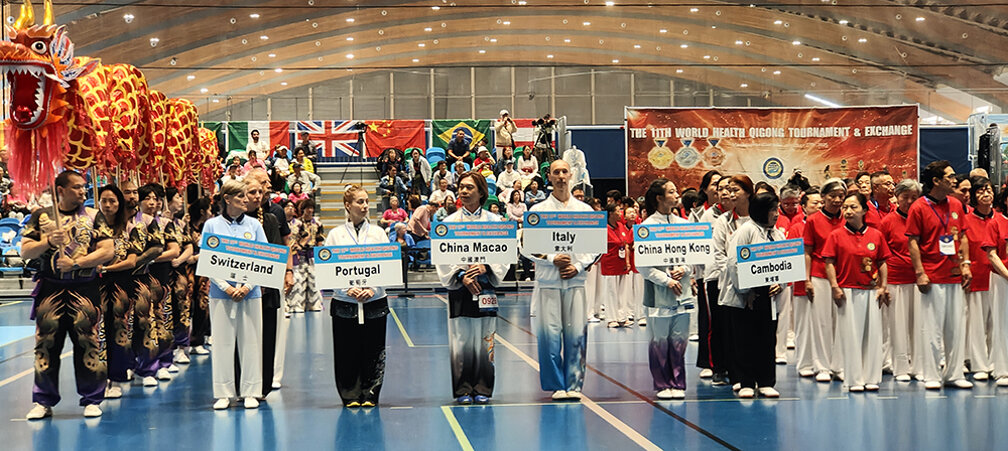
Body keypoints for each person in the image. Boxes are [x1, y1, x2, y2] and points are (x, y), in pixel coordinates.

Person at [22, 170, 114, 419]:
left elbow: (108, 250)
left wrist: (76, 263)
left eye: (83, 187)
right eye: (76, 187)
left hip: (85, 288)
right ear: (60, 191)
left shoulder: (94, 216)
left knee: (88, 342)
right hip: (50, 290)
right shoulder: (41, 216)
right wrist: (48, 242)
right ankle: (43, 400)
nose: (83, 191)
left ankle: (92, 398)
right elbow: (26, 251)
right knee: (45, 344)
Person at [522, 160, 599, 401]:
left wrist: (578, 266)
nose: (561, 176)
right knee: (550, 335)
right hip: (548, 282)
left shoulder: (585, 211)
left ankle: (574, 384)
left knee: (576, 334)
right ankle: (556, 384)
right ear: (549, 176)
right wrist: (551, 258)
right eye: (556, 172)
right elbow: (526, 247)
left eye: (565, 172)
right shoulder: (538, 210)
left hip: (575, 280)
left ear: (571, 175)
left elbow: (596, 247)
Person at [435, 172, 509, 405]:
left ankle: (483, 388)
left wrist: (487, 266)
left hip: (486, 288)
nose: (464, 191)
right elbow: (443, 258)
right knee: (461, 340)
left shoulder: (495, 223)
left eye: (469, 187)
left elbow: (504, 255)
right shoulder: (448, 224)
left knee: (486, 337)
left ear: (481, 192)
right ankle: (463, 389)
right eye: (461, 187)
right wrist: (461, 275)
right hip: (460, 289)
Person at [906, 160, 973, 390]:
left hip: (955, 273)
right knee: (932, 329)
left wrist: (966, 264)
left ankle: (954, 373)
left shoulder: (956, 204)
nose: (954, 180)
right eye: (949, 177)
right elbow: (913, 242)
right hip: (932, 275)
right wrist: (920, 272)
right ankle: (932, 374)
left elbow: (963, 236)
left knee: (956, 327)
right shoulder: (918, 207)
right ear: (936, 181)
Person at [323, 185, 392, 407]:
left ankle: (371, 392)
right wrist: (346, 288)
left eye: (366, 201)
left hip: (374, 300)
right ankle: (350, 393)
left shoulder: (378, 233)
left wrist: (373, 288)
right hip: (345, 301)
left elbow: (387, 265)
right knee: (346, 349)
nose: (365, 206)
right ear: (347, 205)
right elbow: (328, 269)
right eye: (360, 202)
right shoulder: (335, 235)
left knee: (374, 349)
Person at [203, 180, 269, 409]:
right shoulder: (212, 226)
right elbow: (208, 261)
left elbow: (264, 258)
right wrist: (226, 287)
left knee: (252, 342)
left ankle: (251, 391)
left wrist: (248, 286)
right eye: (241, 196)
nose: (246, 199)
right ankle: (223, 392)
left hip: (251, 293)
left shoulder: (255, 225)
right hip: (221, 294)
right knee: (222, 342)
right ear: (227, 199)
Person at [824, 192, 891, 392]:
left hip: (871, 291)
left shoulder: (876, 235)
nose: (848, 211)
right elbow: (829, 262)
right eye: (845, 207)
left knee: (872, 335)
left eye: (853, 207)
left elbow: (882, 262)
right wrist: (835, 286)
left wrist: (883, 286)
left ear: (864, 210)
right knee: (850, 336)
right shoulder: (836, 235)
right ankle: (854, 379)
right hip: (847, 291)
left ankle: (871, 378)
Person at [725, 191, 784, 399]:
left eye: (777, 209)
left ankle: (766, 381)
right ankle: (747, 382)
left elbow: (784, 263)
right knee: (745, 338)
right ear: (760, 211)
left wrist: (780, 283)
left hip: (769, 295)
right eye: (772, 210)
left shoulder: (777, 234)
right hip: (746, 297)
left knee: (767, 338)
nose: (776, 214)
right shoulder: (746, 231)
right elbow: (734, 264)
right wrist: (747, 290)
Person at [640, 178, 694, 399]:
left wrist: (684, 268)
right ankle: (662, 383)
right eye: (671, 192)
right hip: (658, 294)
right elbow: (643, 266)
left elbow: (694, 255)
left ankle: (678, 382)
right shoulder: (647, 227)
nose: (676, 194)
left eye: (675, 191)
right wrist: (666, 280)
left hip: (683, 292)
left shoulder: (685, 225)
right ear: (659, 198)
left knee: (680, 338)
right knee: (659, 339)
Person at [241, 175, 293, 397]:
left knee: (267, 335)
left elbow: (277, 252)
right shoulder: (232, 220)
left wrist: (286, 272)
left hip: (266, 288)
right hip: (238, 289)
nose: (259, 194)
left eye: (260, 191)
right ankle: (242, 383)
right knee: (244, 336)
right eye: (253, 191)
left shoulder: (271, 219)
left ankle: (263, 385)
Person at [963, 176, 1008, 382]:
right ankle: (980, 364)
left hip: (998, 279)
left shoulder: (998, 218)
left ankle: (995, 362)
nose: (985, 194)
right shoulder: (966, 220)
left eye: (988, 189)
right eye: (980, 191)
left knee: (996, 323)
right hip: (978, 276)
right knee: (977, 323)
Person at [94, 185, 137, 400]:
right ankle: (100, 379)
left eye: (112, 201)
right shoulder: (92, 228)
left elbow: (132, 261)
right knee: (99, 331)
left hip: (121, 285)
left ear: (120, 203)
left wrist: (107, 268)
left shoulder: (129, 229)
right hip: (96, 286)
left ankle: (117, 377)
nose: (108, 205)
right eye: (104, 201)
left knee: (120, 330)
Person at [803, 179, 848, 383]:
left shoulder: (848, 218)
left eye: (841, 196)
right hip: (819, 275)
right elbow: (807, 252)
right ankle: (822, 366)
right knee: (821, 321)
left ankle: (839, 365)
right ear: (823, 197)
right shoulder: (813, 220)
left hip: (844, 276)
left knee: (842, 321)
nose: (837, 200)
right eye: (833, 196)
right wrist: (807, 280)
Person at [877, 179, 920, 382]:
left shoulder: (922, 219)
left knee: (917, 325)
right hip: (895, 279)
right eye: (905, 197)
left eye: (914, 197)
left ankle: (918, 365)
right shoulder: (887, 222)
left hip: (919, 279)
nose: (909, 201)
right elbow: (880, 254)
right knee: (895, 325)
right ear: (897, 197)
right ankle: (897, 365)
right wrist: (882, 284)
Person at [715, 175, 755, 390]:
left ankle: (758, 376)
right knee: (734, 333)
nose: (730, 194)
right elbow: (719, 255)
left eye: (735, 190)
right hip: (732, 286)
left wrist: (754, 281)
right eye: (728, 190)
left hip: (758, 286)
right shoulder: (723, 221)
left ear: (748, 192)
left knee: (757, 333)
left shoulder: (758, 219)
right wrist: (738, 279)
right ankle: (737, 376)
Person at [140, 184, 180, 382]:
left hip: (160, 276)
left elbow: (174, 251)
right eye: (147, 198)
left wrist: (149, 258)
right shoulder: (131, 223)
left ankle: (164, 361)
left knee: (162, 318)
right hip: (137, 278)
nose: (152, 202)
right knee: (141, 322)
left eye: (155, 198)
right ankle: (142, 365)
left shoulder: (165, 224)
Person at [698, 176, 733, 383]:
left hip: (738, 279)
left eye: (729, 188)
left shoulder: (744, 216)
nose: (725, 192)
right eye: (721, 188)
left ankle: (734, 365)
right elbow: (699, 248)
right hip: (713, 276)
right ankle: (714, 365)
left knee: (734, 324)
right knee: (715, 323)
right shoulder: (708, 216)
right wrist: (695, 274)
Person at [788, 188, 824, 376]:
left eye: (821, 203)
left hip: (824, 281)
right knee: (803, 326)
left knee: (823, 326)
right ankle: (805, 364)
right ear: (803, 207)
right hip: (802, 282)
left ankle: (823, 363)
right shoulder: (796, 228)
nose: (819, 206)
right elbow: (791, 256)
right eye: (814, 203)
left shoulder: (829, 224)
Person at [165, 187, 194, 370]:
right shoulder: (156, 223)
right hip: (161, 273)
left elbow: (189, 247)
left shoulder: (180, 225)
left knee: (182, 308)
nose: (180, 200)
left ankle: (182, 346)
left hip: (180, 272)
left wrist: (179, 259)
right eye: (177, 197)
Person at [288, 198, 325, 313]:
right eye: (308, 208)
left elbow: (319, 239)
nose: (310, 210)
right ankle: (297, 305)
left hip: (313, 254)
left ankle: (314, 305)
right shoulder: (297, 223)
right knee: (299, 281)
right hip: (300, 255)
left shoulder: (318, 223)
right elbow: (294, 239)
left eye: (312, 208)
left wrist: (319, 255)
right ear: (303, 209)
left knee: (314, 280)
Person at [599, 202, 632, 328]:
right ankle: (611, 318)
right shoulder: (604, 228)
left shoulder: (621, 226)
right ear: (611, 213)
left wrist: (627, 262)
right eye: (618, 211)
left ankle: (622, 317)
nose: (620, 213)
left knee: (622, 292)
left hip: (621, 263)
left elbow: (625, 244)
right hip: (610, 264)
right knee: (611, 292)